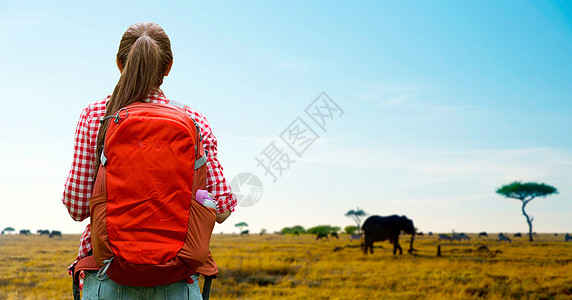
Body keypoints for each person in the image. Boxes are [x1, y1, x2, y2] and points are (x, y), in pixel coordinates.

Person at [62, 22, 237, 299]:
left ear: (120, 64)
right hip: (178, 275)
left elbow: (76, 206)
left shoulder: (96, 116)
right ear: (168, 67)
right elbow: (223, 210)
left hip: (108, 273)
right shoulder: (194, 120)